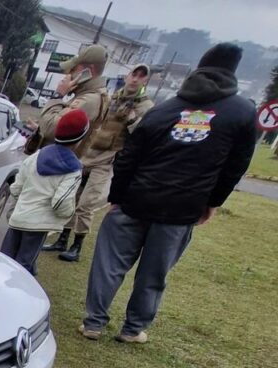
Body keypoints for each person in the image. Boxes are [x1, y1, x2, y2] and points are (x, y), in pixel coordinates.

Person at [80, 43, 257, 343]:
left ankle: (93, 322)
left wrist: (117, 198)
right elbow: (235, 166)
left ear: (199, 67)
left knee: (109, 263)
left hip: (136, 199)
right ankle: (133, 329)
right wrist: (212, 202)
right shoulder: (241, 113)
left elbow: (128, 156)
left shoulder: (165, 109)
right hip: (183, 207)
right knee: (155, 272)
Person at [46, 64, 153, 262]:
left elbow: (142, 136)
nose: (135, 79)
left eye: (141, 76)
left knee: (86, 203)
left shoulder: (144, 106)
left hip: (107, 158)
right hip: (87, 153)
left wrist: (132, 121)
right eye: (133, 74)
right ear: (128, 76)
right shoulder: (112, 98)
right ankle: (62, 238)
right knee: (72, 197)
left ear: (146, 81)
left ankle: (77, 245)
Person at [0, 109, 89, 275]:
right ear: (80, 138)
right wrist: (66, 215)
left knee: (5, 260)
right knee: (23, 267)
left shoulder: (36, 156)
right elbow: (61, 202)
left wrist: (17, 208)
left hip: (19, 218)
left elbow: (16, 188)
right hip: (38, 225)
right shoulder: (73, 169)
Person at [30, 44, 110, 150]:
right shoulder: (88, 95)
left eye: (73, 69)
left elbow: (51, 129)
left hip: (57, 164)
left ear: (89, 70)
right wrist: (39, 128)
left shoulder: (88, 100)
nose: (68, 74)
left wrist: (57, 96)